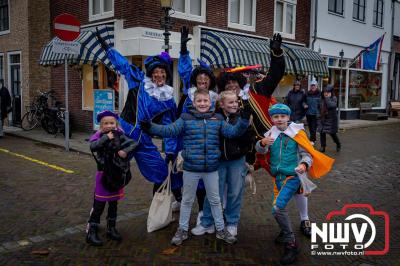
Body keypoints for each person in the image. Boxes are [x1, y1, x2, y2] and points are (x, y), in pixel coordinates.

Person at [141, 89, 251, 246]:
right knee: (187, 200)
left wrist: (244, 120)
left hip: (212, 168)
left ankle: (220, 229)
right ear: (194, 103)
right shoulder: (185, 118)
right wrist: (150, 127)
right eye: (199, 101)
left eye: (205, 101)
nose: (202, 104)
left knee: (215, 200)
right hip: (191, 168)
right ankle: (182, 230)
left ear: (210, 102)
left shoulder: (218, 119)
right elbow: (169, 130)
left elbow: (233, 132)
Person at [96, 30, 182, 201]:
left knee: (161, 170)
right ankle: (98, 212)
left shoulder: (168, 100)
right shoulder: (140, 82)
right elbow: (124, 66)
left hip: (143, 141)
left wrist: (171, 151)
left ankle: (166, 203)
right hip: (123, 136)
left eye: (163, 72)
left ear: (167, 74)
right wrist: (108, 49)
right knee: (111, 174)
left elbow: (169, 126)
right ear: (150, 73)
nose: (159, 75)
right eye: (155, 72)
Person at [255, 103, 334, 264]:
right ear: (272, 118)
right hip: (277, 178)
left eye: (282, 116)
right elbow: (261, 152)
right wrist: (262, 143)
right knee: (278, 210)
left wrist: (304, 165)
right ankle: (286, 232)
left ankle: (291, 243)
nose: (279, 119)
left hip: (292, 177)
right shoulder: (271, 133)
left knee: (277, 208)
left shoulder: (297, 133)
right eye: (276, 117)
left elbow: (307, 154)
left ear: (288, 117)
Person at [192, 91, 255, 238]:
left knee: (234, 192)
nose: (234, 105)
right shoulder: (213, 117)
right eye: (231, 102)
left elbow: (250, 136)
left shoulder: (243, 117)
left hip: (237, 161)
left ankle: (232, 223)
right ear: (222, 104)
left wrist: (243, 150)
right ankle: (207, 222)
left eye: (235, 102)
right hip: (218, 161)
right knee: (213, 193)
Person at [176, 26, 219, 221]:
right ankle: (182, 206)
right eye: (199, 78)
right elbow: (185, 69)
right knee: (186, 177)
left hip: (208, 145)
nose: (202, 81)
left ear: (210, 81)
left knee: (205, 183)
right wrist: (184, 50)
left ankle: (202, 213)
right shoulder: (189, 96)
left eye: (205, 78)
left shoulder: (215, 99)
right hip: (188, 143)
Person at [86, 110, 139, 246]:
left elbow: (134, 143)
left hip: (116, 174)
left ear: (116, 124)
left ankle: (111, 228)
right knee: (99, 204)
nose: (109, 126)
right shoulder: (97, 136)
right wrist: (105, 138)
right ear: (101, 125)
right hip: (103, 174)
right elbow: (93, 146)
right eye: (106, 123)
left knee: (113, 203)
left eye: (112, 123)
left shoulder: (119, 135)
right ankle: (92, 230)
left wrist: (125, 151)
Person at [318, 85, 341, 153]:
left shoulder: (334, 98)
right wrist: (318, 115)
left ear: (331, 92)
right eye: (325, 92)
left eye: (327, 92)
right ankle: (323, 147)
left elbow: (331, 105)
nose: (326, 93)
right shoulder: (321, 99)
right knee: (322, 132)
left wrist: (327, 98)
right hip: (323, 119)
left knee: (332, 134)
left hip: (331, 120)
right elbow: (319, 107)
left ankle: (338, 143)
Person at [305, 80, 321, 144]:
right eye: (312, 85)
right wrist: (304, 105)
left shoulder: (319, 94)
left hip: (316, 114)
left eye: (314, 85)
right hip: (308, 113)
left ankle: (312, 140)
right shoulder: (307, 93)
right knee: (310, 127)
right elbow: (304, 101)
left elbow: (321, 104)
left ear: (316, 86)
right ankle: (313, 138)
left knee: (314, 127)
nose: (313, 87)